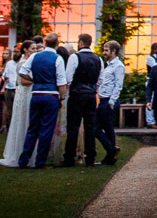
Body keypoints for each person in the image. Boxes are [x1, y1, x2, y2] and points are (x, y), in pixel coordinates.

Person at [18, 32, 67, 169]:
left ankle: (24, 160)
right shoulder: (58, 59)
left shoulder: (34, 56)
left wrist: (33, 80)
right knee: (46, 129)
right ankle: (40, 162)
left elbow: (22, 72)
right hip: (51, 95)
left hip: (36, 94)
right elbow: (61, 81)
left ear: (45, 43)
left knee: (32, 128)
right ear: (57, 44)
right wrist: (62, 98)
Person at [61, 33, 102, 167]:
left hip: (77, 94)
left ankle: (69, 157)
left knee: (73, 126)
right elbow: (100, 79)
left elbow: (68, 77)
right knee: (90, 127)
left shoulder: (75, 57)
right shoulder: (98, 59)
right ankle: (90, 157)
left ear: (80, 43)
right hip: (91, 95)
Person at [0, 40, 36, 167]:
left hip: (28, 93)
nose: (35, 51)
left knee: (28, 122)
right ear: (25, 50)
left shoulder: (29, 62)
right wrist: (40, 79)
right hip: (24, 93)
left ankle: (28, 153)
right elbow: (23, 82)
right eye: (32, 49)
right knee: (22, 121)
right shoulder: (23, 63)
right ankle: (19, 152)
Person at [95, 40, 125, 165]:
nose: (104, 52)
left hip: (109, 101)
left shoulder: (118, 66)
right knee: (103, 128)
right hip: (102, 100)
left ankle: (111, 151)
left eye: (106, 50)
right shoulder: (108, 65)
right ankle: (111, 154)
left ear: (113, 51)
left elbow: (118, 85)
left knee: (99, 127)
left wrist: (112, 102)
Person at [0, 47, 18, 132]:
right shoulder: (9, 63)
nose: (15, 53)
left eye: (17, 52)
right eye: (14, 52)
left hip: (18, 89)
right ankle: (9, 128)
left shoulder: (23, 62)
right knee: (9, 109)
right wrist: (5, 79)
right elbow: (5, 75)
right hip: (9, 88)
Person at [145, 42, 157, 127]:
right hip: (150, 81)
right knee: (150, 100)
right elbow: (156, 67)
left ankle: (156, 119)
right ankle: (150, 121)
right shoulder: (150, 58)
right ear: (154, 49)